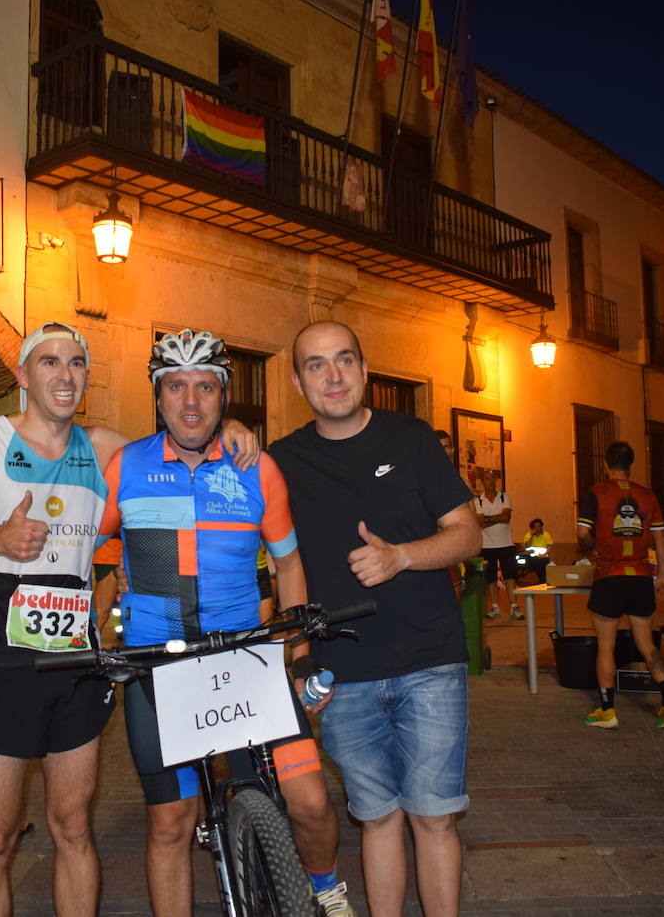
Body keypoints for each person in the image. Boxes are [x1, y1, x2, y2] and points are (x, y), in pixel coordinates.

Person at [0, 322, 262, 916]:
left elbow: (181, 445)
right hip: (0, 663)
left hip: (80, 665)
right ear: (25, 375)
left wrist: (229, 429)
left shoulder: (108, 448)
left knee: (75, 826)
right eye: (50, 361)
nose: (65, 373)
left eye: (77, 363)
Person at [96, 328, 354, 917]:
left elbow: (288, 564)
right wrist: (102, 613)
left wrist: (299, 652)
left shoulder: (255, 469)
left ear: (224, 397)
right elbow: (87, 544)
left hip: (245, 657)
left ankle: (328, 892)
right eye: (177, 386)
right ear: (158, 396)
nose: (191, 401)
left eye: (206, 387)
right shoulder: (126, 467)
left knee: (309, 799)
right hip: (156, 667)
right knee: (170, 824)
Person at [269, 320, 481, 917]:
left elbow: (468, 534)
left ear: (365, 371)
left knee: (435, 819)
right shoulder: (281, 461)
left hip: (429, 663)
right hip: (343, 673)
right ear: (297, 381)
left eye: (343, 361)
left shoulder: (412, 440)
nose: (332, 376)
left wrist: (402, 557)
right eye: (316, 364)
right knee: (378, 819)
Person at [577, 440, 664, 731]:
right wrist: (662, 575)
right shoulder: (647, 496)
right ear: (631, 465)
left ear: (605, 464)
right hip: (639, 577)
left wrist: (590, 547)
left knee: (606, 646)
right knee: (647, 643)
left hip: (609, 577)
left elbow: (582, 532)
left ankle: (607, 710)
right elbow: (661, 538)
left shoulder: (596, 493)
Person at [474, 469, 522, 620]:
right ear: (482, 481)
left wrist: (487, 519)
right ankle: (495, 607)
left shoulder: (504, 497)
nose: (491, 481)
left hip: (506, 544)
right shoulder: (478, 501)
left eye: (493, 478)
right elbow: (480, 522)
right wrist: (495, 518)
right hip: (487, 545)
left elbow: (506, 517)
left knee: (510, 576)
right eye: (487, 478)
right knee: (491, 578)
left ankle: (514, 607)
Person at [521, 518, 553, 585]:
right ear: (532, 528)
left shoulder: (546, 534)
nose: (538, 528)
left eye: (539, 526)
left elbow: (549, 546)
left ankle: (543, 580)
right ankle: (543, 580)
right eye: (536, 527)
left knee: (542, 562)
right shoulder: (528, 535)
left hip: (543, 557)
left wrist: (545, 554)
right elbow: (527, 546)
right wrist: (532, 536)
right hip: (532, 557)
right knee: (538, 562)